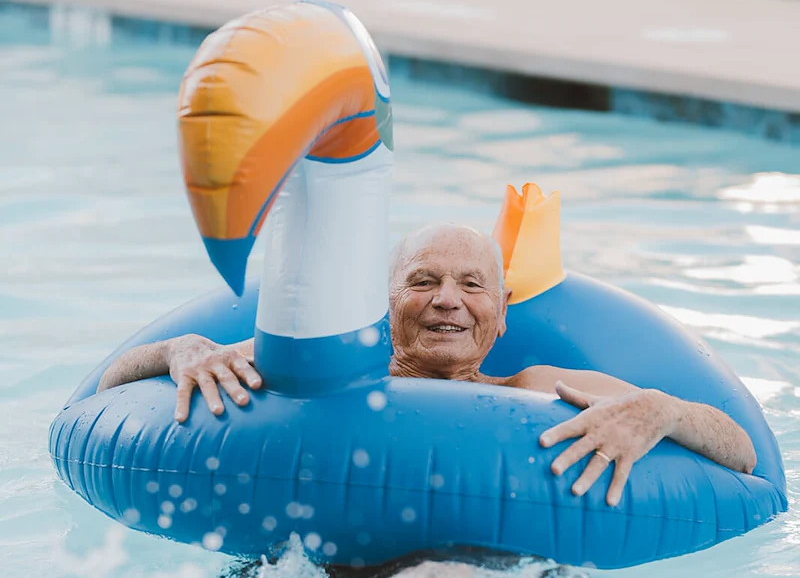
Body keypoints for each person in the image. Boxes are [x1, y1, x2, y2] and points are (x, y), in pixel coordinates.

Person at [98, 223, 756, 509]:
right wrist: (180, 349)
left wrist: (661, 410)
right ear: (384, 304)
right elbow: (108, 391)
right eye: (423, 281)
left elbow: (743, 453)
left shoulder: (539, 387)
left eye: (471, 285)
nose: (447, 299)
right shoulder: (326, 368)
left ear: (500, 315)